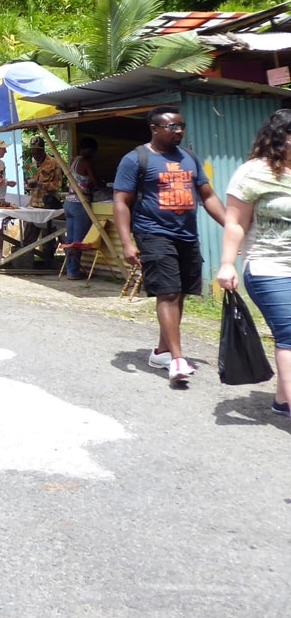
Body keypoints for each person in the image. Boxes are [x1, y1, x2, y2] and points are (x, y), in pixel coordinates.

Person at [113, 105, 225, 386]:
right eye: (172, 127)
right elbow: (121, 202)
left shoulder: (189, 157)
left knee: (182, 293)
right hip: (153, 233)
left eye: (181, 126)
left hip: (186, 235)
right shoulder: (135, 159)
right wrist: (127, 242)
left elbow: (208, 196)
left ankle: (162, 351)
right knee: (168, 292)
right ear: (154, 128)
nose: (179, 131)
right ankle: (177, 359)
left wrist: (234, 225)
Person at [217, 109, 291, 417]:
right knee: (290, 335)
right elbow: (235, 223)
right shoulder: (253, 173)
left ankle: (282, 400)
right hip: (269, 268)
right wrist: (227, 264)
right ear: (279, 138)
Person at [63, 137, 104, 279]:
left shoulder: (74, 161)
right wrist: (101, 185)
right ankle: (73, 271)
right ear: (90, 149)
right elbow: (96, 181)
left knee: (70, 240)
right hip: (80, 203)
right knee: (78, 240)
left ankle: (70, 269)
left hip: (69, 201)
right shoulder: (86, 162)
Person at [20, 135, 64, 266]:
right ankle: (26, 261)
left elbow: (58, 185)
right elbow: (28, 182)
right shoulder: (30, 164)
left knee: (48, 237)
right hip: (33, 204)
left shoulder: (54, 163)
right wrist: (28, 184)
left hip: (47, 205)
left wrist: (40, 185)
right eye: (32, 152)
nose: (35, 155)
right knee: (29, 236)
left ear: (42, 150)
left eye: (37, 152)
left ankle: (48, 261)